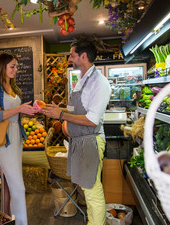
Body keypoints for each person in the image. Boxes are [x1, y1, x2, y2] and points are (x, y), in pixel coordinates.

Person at [41, 39, 111, 225]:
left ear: (83, 56)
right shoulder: (83, 80)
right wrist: (60, 110)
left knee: (93, 190)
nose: (69, 58)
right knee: (87, 190)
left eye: (72, 55)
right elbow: (78, 112)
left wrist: (62, 114)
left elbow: (91, 120)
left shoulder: (99, 82)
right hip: (80, 142)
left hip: (90, 141)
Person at [0, 52, 37, 225]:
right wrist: (19, 109)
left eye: (16, 66)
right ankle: (21, 222)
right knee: (18, 187)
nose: (16, 70)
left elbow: (18, 112)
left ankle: (9, 219)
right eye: (12, 66)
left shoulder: (15, 88)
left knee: (10, 182)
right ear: (2, 67)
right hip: (3, 140)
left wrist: (31, 109)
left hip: (16, 137)